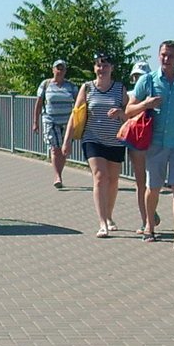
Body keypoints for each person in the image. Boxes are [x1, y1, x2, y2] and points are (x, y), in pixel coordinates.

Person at [126, 40, 174, 250]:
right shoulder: (148, 80)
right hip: (155, 142)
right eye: (163, 55)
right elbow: (129, 109)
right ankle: (149, 227)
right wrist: (145, 104)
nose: (166, 59)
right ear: (158, 56)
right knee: (153, 187)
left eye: (171, 56)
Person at [61, 52, 128, 237]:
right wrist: (67, 141)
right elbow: (76, 115)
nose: (102, 69)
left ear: (112, 68)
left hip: (115, 140)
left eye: (105, 66)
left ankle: (109, 216)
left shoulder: (120, 88)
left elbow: (130, 115)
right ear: (94, 68)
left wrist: (121, 113)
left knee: (113, 180)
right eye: (98, 65)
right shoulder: (87, 88)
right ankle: (102, 223)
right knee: (100, 176)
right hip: (93, 139)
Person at [33, 59, 77, 189]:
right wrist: (35, 122)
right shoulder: (45, 84)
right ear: (53, 70)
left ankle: (59, 173)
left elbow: (79, 102)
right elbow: (39, 103)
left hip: (67, 122)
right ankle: (57, 176)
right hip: (50, 121)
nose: (60, 71)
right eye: (57, 68)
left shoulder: (71, 86)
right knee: (54, 148)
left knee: (64, 150)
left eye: (62, 68)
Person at [126, 60, 156, 233]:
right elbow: (126, 115)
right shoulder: (131, 95)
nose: (138, 79)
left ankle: (150, 211)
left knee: (152, 183)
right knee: (140, 183)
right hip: (137, 140)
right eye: (136, 76)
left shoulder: (154, 92)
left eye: (141, 76)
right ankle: (145, 219)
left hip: (153, 140)